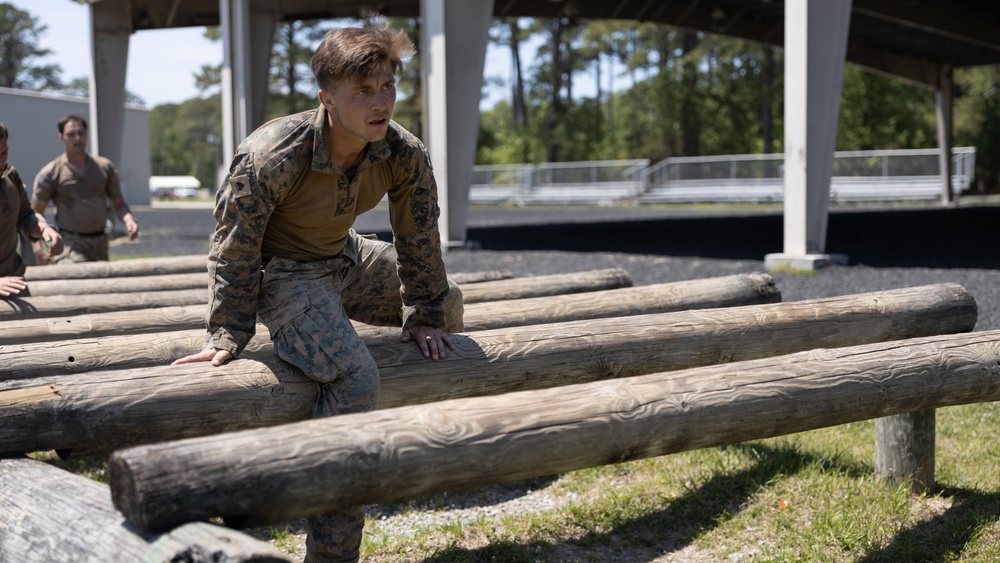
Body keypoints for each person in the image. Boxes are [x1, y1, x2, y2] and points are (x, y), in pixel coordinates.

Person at [173, 20, 464, 563]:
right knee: (356, 376)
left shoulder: (403, 152)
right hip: (284, 277)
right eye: (363, 92)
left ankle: (417, 449)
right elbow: (234, 245)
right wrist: (228, 330)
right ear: (327, 98)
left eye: (388, 87)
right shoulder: (271, 154)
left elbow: (418, 235)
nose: (381, 104)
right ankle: (332, 550)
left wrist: (425, 312)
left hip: (345, 258)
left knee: (449, 303)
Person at [32, 114, 139, 263]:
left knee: (101, 284)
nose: (77, 138)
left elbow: (119, 204)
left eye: (81, 133)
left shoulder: (104, 167)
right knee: (76, 277)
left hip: (100, 243)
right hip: (70, 243)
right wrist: (38, 249)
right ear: (61, 137)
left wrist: (129, 221)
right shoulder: (51, 172)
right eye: (71, 134)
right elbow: (34, 215)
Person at [0, 121, 64, 297]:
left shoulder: (10, 176)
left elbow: (24, 215)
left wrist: (44, 229)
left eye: (4, 153)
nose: (0, 162)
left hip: (14, 280)